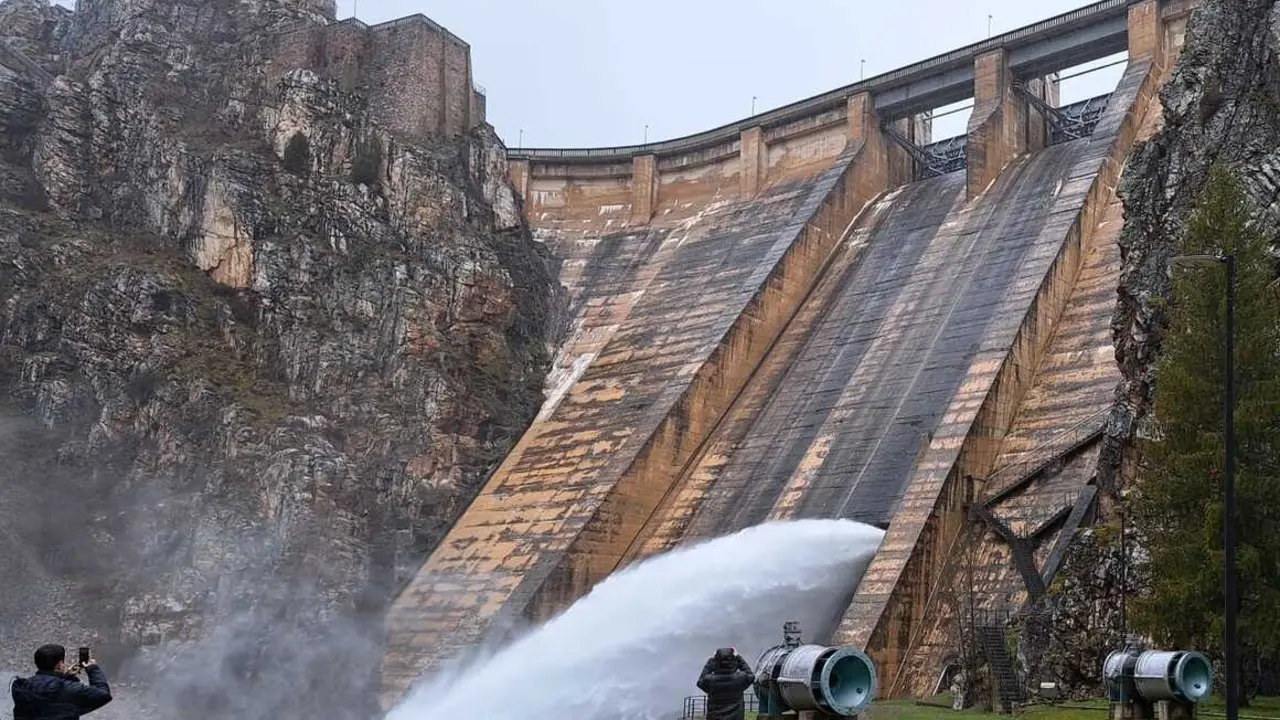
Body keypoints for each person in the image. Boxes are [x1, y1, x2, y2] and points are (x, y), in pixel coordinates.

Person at [10, 644, 112, 720]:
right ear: (59, 665)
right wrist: (93, 668)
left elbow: (47, 697)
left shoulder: (22, 687)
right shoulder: (66, 688)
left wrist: (66, 677)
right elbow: (103, 694)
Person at [697, 647, 755, 720]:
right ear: (733, 661)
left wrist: (711, 661)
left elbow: (700, 682)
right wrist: (738, 657)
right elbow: (751, 676)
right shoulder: (740, 678)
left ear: (716, 662)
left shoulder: (709, 680)